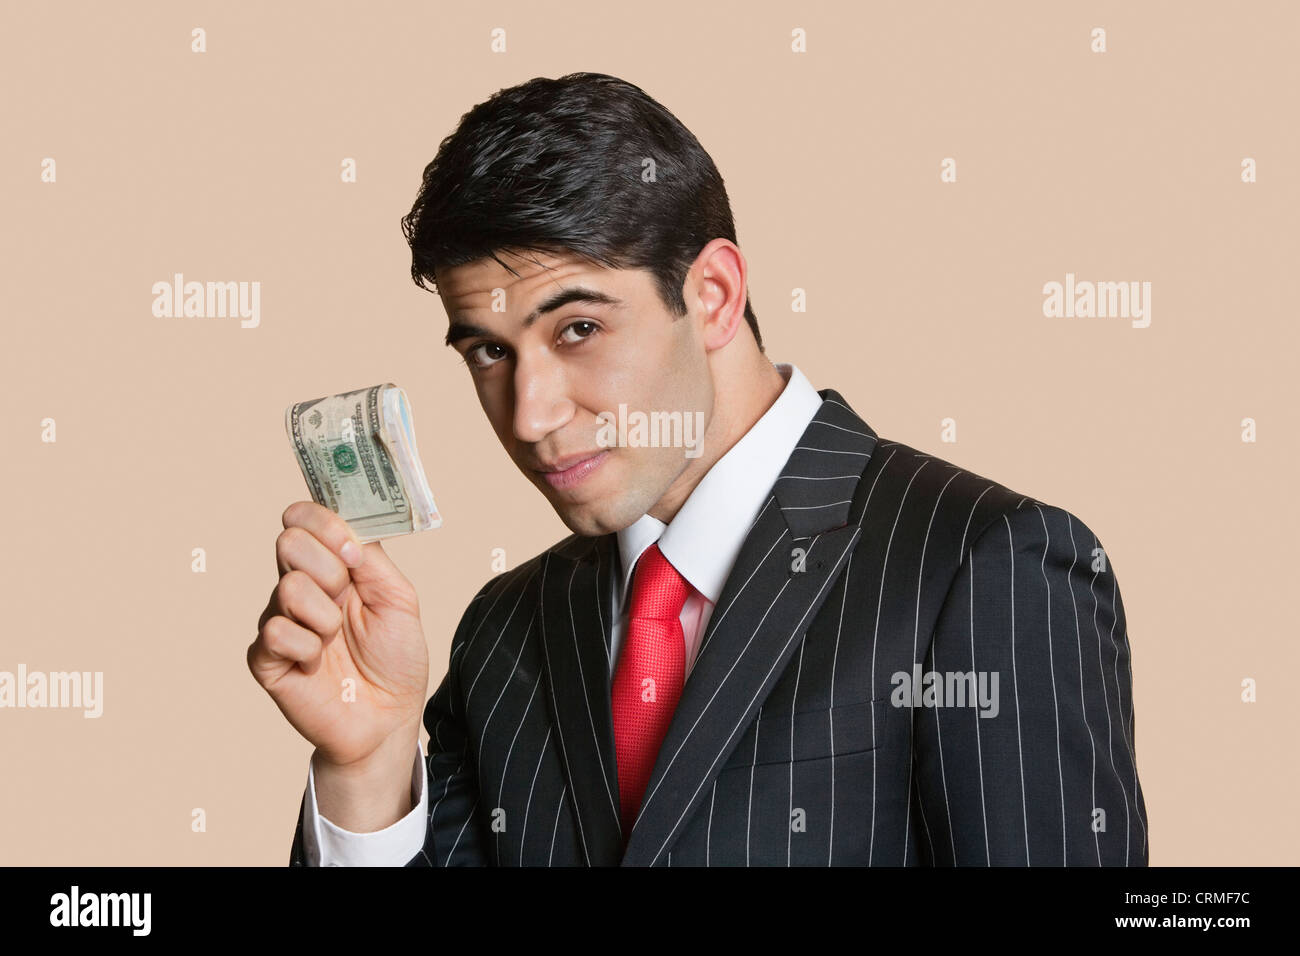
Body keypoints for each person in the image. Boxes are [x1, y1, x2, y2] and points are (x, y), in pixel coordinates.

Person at [248, 72, 1148, 866]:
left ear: (713, 295)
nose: (531, 414)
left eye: (578, 329)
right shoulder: (503, 631)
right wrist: (366, 767)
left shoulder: (986, 566)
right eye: (488, 351)